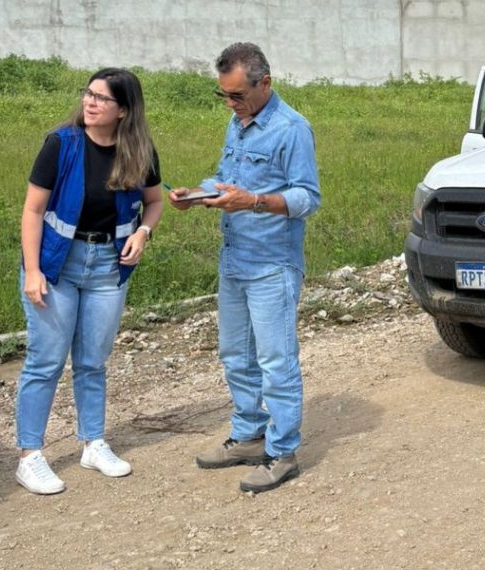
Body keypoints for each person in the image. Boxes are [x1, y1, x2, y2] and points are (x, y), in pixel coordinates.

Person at [168, 43, 321, 494]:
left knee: (276, 361)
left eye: (237, 95)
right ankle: (249, 436)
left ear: (264, 83)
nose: (231, 104)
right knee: (236, 356)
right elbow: (225, 179)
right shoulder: (237, 124)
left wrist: (253, 201)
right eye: (225, 96)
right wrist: (197, 193)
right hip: (234, 259)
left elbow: (306, 198)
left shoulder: (292, 130)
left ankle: (282, 452)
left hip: (272, 264)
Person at [15, 68, 164, 495]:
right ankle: (30, 456)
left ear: (123, 111)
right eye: (88, 93)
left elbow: (153, 202)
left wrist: (142, 232)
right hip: (57, 266)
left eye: (101, 98)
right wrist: (33, 271)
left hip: (108, 269)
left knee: (93, 362)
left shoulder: (139, 150)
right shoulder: (60, 144)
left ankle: (93, 443)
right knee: (45, 362)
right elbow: (32, 212)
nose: (90, 102)